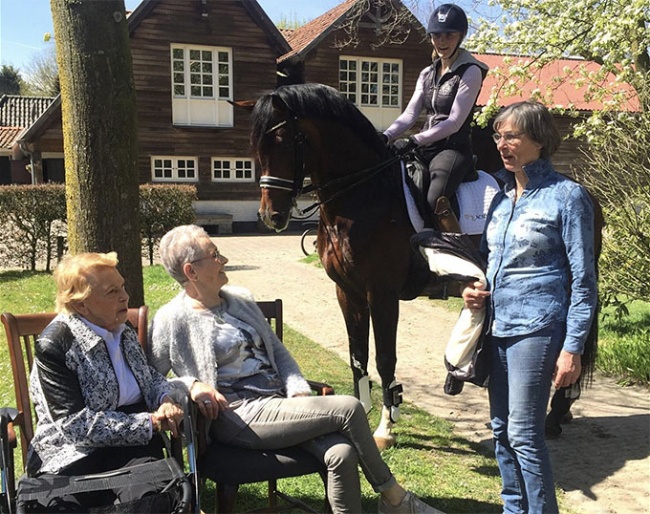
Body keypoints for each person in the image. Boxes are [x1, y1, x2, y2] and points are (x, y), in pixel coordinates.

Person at [149, 224, 444, 514]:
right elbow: (150, 377)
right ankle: (394, 499)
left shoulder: (240, 301)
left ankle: (388, 502)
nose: (223, 260)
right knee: (349, 407)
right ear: (191, 271)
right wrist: (190, 385)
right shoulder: (172, 319)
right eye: (215, 255)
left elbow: (278, 352)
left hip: (278, 406)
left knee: (340, 453)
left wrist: (299, 389)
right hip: (237, 416)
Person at [462, 101, 598, 513]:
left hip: (539, 328)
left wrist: (572, 347)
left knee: (523, 433)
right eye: (498, 136)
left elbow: (584, 280)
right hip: (497, 326)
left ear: (539, 141)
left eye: (512, 136)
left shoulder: (567, 197)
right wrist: (474, 289)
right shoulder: (500, 201)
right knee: (501, 431)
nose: (502, 144)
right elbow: (489, 264)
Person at [26, 252, 184, 509]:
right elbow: (75, 426)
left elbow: (149, 377)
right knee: (57, 507)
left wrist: (165, 398)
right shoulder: (56, 344)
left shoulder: (123, 329)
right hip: (72, 452)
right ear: (81, 305)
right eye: (112, 292)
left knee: (153, 501)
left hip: (133, 448)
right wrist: (150, 422)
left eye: (122, 287)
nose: (125, 297)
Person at [382, 3, 488, 228]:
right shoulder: (426, 73)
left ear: (461, 36)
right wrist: (386, 136)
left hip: (453, 148)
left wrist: (413, 140)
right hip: (425, 148)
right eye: (436, 35)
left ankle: (456, 248)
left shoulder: (471, 71)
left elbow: (454, 122)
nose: (442, 41)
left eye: (449, 35)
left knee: (434, 198)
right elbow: (411, 113)